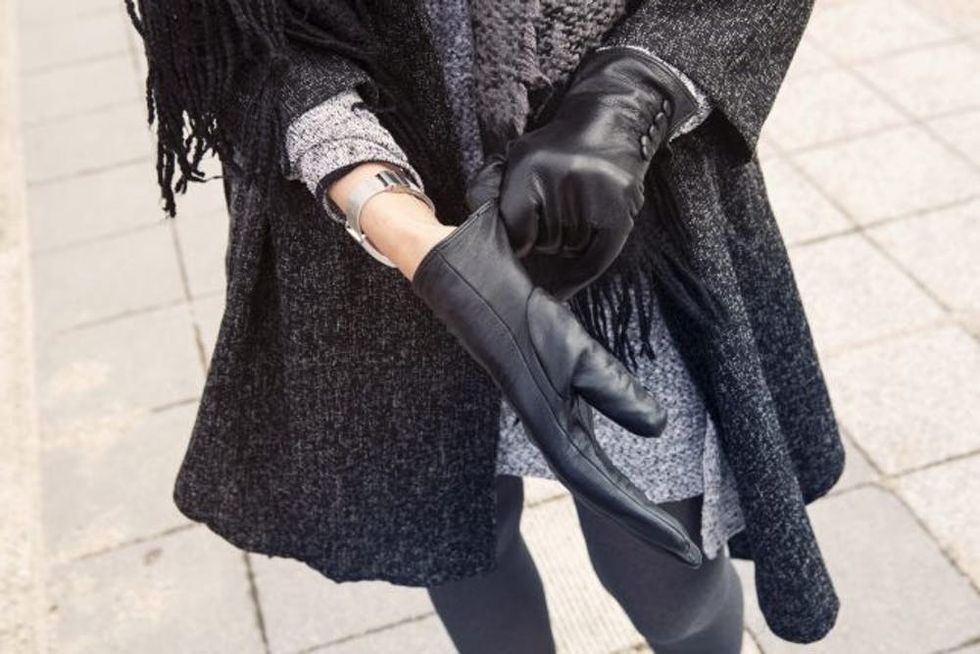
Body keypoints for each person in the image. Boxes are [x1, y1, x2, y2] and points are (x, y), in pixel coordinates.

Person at [125, 0, 846, 650]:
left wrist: (636, 93)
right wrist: (411, 234)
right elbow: (238, 32)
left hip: (612, 216)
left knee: (666, 578)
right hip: (387, 240)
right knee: (464, 535)